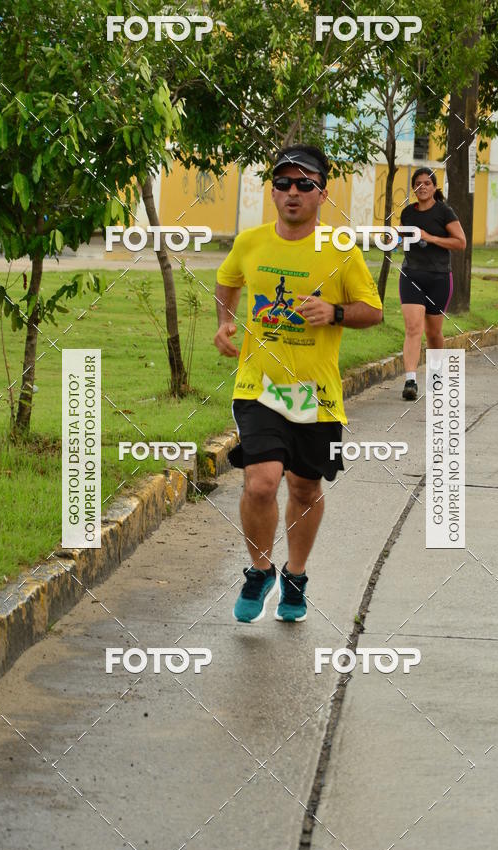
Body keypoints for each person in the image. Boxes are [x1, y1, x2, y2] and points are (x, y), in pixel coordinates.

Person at [214, 144, 382, 624]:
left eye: (304, 184)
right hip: (259, 386)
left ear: (322, 194)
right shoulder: (250, 242)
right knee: (261, 483)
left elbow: (374, 311)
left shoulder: (342, 250)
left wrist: (336, 312)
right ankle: (259, 570)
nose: (293, 192)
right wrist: (225, 321)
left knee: (305, 489)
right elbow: (227, 281)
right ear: (273, 192)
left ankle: (296, 576)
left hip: (316, 394)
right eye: (283, 183)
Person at [398, 167, 466, 400]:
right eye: (418, 183)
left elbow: (460, 242)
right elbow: (406, 240)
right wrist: (396, 237)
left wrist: (430, 238)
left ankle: (436, 374)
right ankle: (410, 381)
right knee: (413, 328)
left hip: (439, 277)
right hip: (411, 275)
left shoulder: (444, 212)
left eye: (427, 183)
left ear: (435, 187)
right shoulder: (407, 213)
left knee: (433, 332)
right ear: (413, 188)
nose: (422, 187)